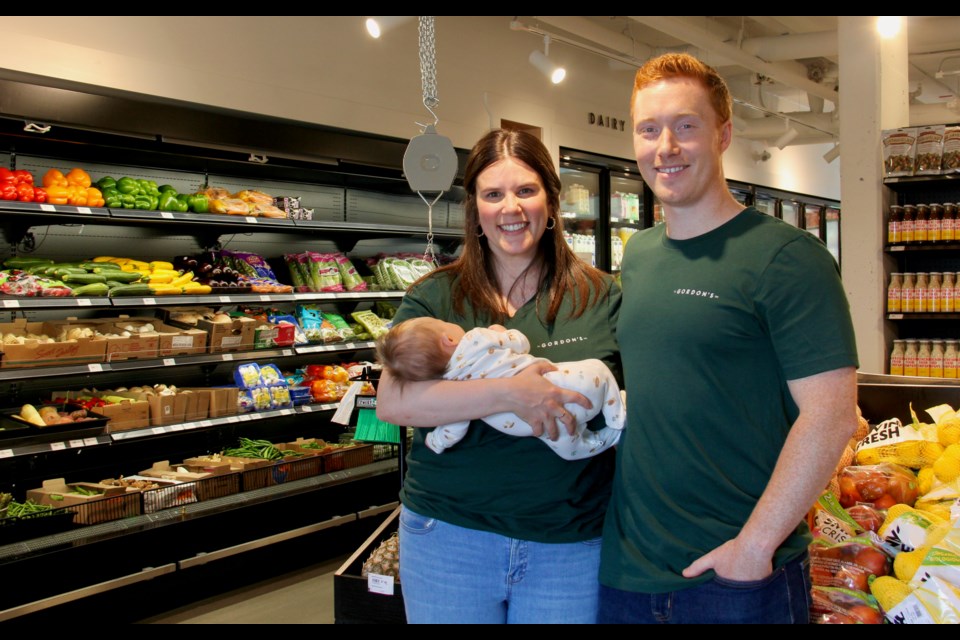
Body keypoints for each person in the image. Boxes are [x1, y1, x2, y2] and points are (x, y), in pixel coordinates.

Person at [598, 53, 859, 624]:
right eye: (649, 129)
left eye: (685, 125)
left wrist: (756, 547)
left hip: (736, 580)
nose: (665, 146)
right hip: (627, 575)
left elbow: (833, 415)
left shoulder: (788, 258)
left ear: (723, 135)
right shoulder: (637, 256)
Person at [375, 128, 622, 624]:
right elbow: (394, 403)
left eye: (526, 190)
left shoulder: (601, 295)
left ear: (550, 202)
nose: (511, 207)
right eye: (493, 194)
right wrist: (511, 392)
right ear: (476, 211)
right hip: (449, 539)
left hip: (569, 543)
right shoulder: (435, 297)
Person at [376, 316, 624, 460]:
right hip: (567, 386)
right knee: (598, 369)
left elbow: (454, 428)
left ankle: (608, 436)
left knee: (569, 449)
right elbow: (521, 343)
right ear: (448, 340)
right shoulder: (476, 338)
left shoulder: (449, 385)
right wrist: (501, 332)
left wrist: (437, 441)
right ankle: (617, 414)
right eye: (443, 321)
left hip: (527, 427)